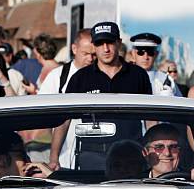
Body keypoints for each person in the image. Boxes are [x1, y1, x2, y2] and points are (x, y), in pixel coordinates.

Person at [49, 21, 152, 170]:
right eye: (99, 43)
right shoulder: (80, 78)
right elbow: (64, 119)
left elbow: (150, 118)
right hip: (92, 156)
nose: (105, 49)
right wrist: (53, 157)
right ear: (94, 46)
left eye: (110, 42)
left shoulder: (138, 75)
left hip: (132, 156)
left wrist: (152, 150)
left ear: (119, 42)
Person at [39, 28, 95, 168]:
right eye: (85, 53)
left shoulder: (100, 76)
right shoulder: (57, 76)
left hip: (96, 155)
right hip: (65, 155)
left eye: (94, 54)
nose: (90, 59)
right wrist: (53, 156)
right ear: (74, 48)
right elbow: (40, 109)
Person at [130, 32, 181, 96]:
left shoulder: (165, 79)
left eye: (150, 53)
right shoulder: (125, 78)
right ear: (133, 54)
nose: (146, 57)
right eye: (140, 53)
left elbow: (180, 101)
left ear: (156, 55)